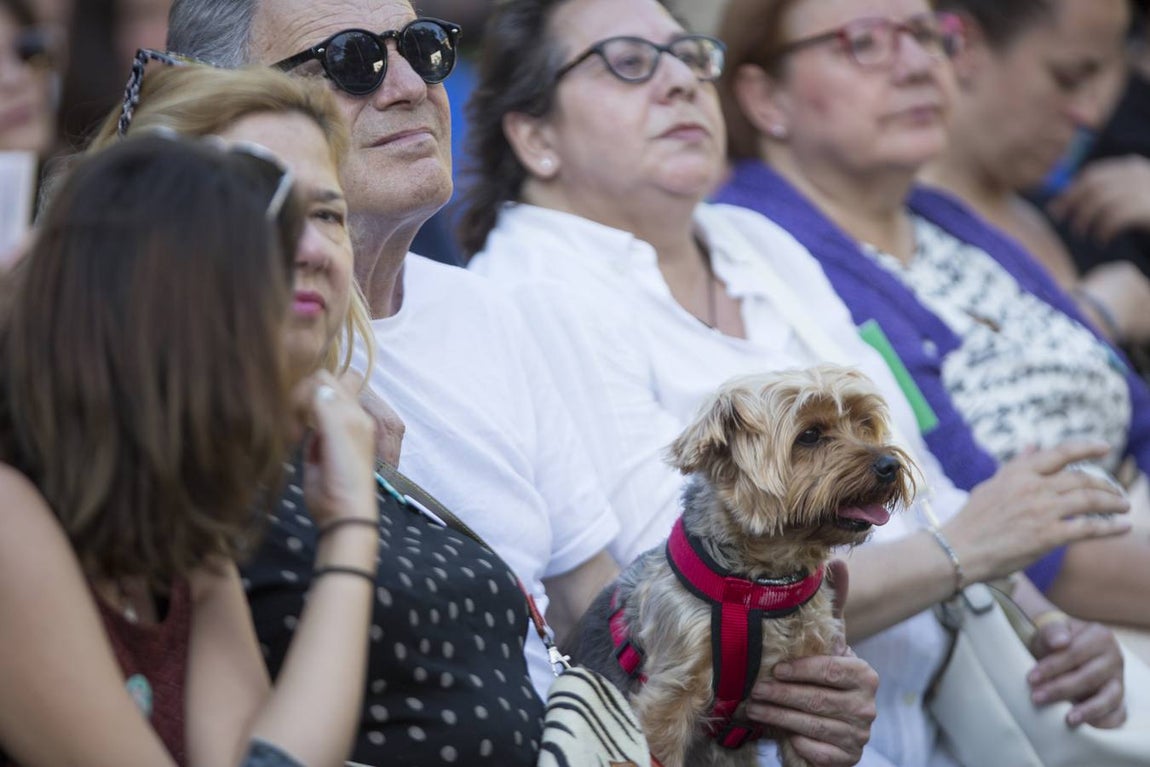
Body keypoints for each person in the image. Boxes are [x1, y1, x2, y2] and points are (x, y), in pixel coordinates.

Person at [164, 0, 883, 762]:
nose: (411, 83)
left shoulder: (485, 308)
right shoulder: (204, 362)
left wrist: (781, 685)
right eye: (349, 59)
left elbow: (604, 616)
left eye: (424, 46)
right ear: (222, 105)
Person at [460, 0, 1133, 763]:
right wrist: (959, 552)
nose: (680, 82)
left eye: (689, 56)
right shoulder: (532, 290)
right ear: (535, 135)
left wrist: (1047, 623)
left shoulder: (752, 241)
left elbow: (921, 473)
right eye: (629, 62)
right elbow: (681, 581)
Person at [89, 59, 549, 766]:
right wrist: (351, 531)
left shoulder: (312, 435)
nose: (308, 248)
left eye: (328, 213)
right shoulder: (114, 468)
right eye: (256, 208)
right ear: (144, 229)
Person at [713, 0, 1150, 630]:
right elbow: (971, 504)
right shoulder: (760, 251)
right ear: (764, 99)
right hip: (1056, 621)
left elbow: (1136, 410)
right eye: (864, 42)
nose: (919, 65)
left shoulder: (944, 216)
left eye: (924, 34)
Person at [0, 133, 380, 766]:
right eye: (271, 309)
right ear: (191, 337)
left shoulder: (176, 533)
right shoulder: (9, 521)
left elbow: (253, 758)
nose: (294, 352)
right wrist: (351, 533)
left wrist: (349, 527)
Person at [920, 0, 1150, 348]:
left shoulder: (1064, 216)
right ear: (965, 45)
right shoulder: (899, 226)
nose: (1091, 113)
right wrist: (1099, 315)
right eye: (1068, 79)